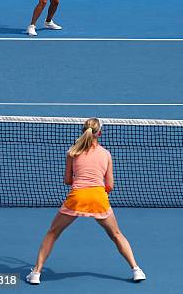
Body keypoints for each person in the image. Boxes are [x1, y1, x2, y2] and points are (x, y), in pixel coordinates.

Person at [26, 118, 146, 285]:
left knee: (53, 233)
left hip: (77, 198)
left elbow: (67, 180)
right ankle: (136, 270)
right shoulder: (106, 154)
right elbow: (109, 185)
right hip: (98, 198)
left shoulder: (72, 152)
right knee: (116, 234)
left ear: (83, 131)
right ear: (100, 133)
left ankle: (36, 273)